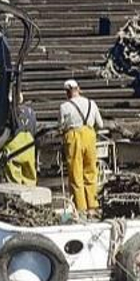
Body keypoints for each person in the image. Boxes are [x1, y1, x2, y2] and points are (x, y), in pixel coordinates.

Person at [59, 79, 103, 214]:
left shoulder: (64, 106)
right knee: (90, 172)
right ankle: (93, 207)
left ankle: (81, 208)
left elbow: (61, 126)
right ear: (79, 89)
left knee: (76, 173)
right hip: (90, 136)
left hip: (74, 137)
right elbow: (100, 124)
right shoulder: (91, 103)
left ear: (67, 92)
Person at [2, 93, 39, 186]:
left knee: (14, 174)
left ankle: (16, 194)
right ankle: (31, 195)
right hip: (29, 143)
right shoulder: (31, 111)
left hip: (14, 142)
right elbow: (34, 128)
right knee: (30, 173)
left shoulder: (9, 111)